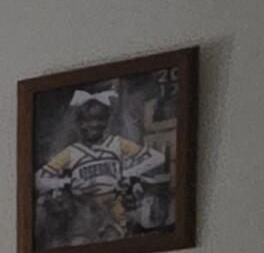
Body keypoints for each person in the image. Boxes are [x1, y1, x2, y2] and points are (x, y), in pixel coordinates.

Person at [33, 87, 168, 244]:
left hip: (116, 208)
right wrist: (66, 182)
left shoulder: (116, 144)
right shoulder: (72, 152)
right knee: (80, 244)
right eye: (87, 120)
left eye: (100, 119)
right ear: (79, 123)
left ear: (106, 121)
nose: (94, 125)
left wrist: (129, 172)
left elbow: (158, 157)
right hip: (84, 210)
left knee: (114, 244)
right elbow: (38, 179)